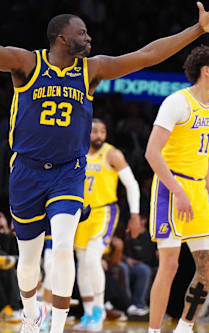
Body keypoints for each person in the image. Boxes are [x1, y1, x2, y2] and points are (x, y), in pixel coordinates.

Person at [0, 0, 209, 333]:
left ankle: (57, 326)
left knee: (64, 246)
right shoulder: (26, 63)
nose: (89, 36)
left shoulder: (91, 70)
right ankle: (31, 312)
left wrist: (198, 30)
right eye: (81, 32)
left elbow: (147, 55)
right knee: (29, 259)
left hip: (69, 171)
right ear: (62, 38)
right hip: (27, 170)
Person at [145, 45, 209, 333]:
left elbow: (203, 158)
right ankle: (154, 331)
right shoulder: (176, 102)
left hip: (198, 191)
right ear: (206, 71)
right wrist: (178, 191)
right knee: (169, 265)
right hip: (170, 188)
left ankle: (184, 327)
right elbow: (152, 153)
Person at [73, 118, 141, 331]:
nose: (99, 135)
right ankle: (87, 313)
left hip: (104, 211)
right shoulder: (77, 152)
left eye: (103, 131)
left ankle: (99, 311)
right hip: (81, 214)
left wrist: (135, 214)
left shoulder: (112, 154)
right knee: (82, 263)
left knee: (92, 259)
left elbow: (132, 185)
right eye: (95, 131)